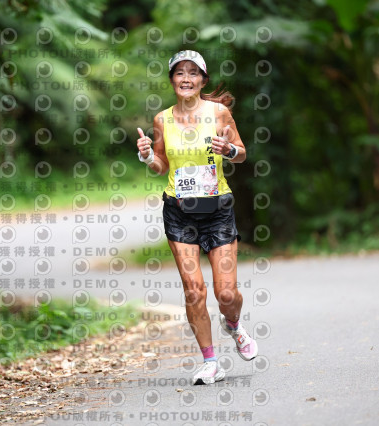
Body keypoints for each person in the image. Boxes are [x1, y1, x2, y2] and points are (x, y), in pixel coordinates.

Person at [135, 50, 258, 385]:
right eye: (179, 73)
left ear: (203, 80)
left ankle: (234, 325)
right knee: (193, 291)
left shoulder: (219, 113)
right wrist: (147, 156)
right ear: (172, 80)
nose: (186, 78)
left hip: (217, 210)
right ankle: (210, 362)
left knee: (227, 294)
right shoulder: (162, 120)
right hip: (179, 211)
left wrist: (229, 150)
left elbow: (242, 153)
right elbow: (161, 164)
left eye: (193, 73)